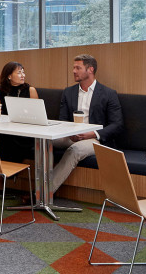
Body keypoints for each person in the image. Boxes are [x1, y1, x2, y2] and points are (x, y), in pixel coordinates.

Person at [50, 54, 124, 193]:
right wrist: (70, 133)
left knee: (75, 150)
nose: (74, 71)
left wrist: (92, 133)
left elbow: (117, 125)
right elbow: (63, 119)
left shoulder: (108, 94)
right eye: (73, 68)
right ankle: (38, 184)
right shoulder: (68, 92)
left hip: (95, 139)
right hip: (71, 135)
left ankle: (43, 193)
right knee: (43, 142)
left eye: (78, 68)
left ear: (90, 70)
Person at [0, 61, 38, 162]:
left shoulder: (30, 90)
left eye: (23, 72)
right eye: (19, 73)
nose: (23, 75)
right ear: (9, 76)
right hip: (5, 131)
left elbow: (37, 115)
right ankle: (2, 173)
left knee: (5, 141)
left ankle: (6, 174)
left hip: (25, 133)